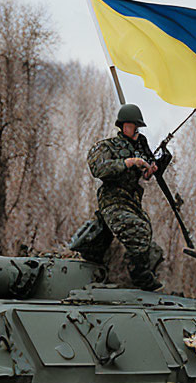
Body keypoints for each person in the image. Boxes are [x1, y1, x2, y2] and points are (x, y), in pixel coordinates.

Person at [69, 104, 165, 291]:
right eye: (131, 126)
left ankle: (103, 264)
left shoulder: (140, 147)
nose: (135, 130)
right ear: (122, 126)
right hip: (113, 199)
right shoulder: (107, 146)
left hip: (131, 200)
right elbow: (99, 169)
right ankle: (139, 276)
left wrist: (149, 170)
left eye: (137, 126)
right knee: (136, 231)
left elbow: (144, 174)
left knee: (144, 230)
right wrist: (128, 162)